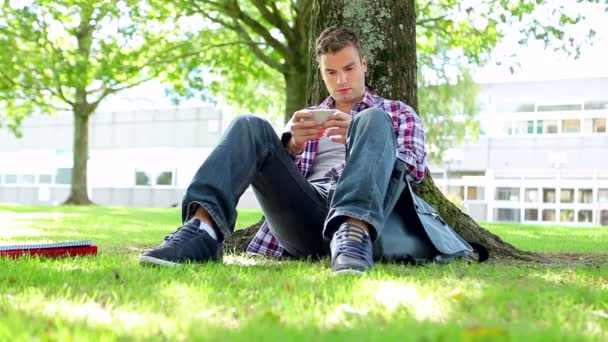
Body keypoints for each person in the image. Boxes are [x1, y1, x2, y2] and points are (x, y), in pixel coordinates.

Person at [140, 26, 428, 274]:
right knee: (248, 124)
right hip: (305, 215)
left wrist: (360, 132)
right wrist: (292, 145)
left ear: (364, 65)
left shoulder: (396, 113)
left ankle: (352, 234)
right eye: (331, 71)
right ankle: (203, 229)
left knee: (374, 120)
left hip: (366, 219)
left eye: (349, 69)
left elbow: (411, 169)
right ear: (322, 73)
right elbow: (271, 172)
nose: (341, 80)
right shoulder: (305, 118)